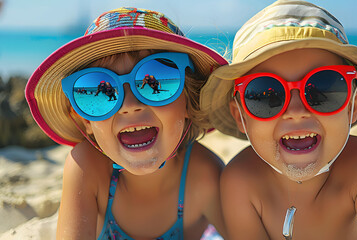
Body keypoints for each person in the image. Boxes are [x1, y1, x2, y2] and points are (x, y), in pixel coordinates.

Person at [200, 1, 357, 239]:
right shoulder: (241, 180)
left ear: (353, 106)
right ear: (241, 116)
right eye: (267, 95)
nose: (296, 111)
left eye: (322, 89)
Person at [25, 7, 228, 239]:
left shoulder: (203, 175)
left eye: (156, 78)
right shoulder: (87, 170)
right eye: (102, 90)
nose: (129, 104)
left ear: (189, 102)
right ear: (85, 120)